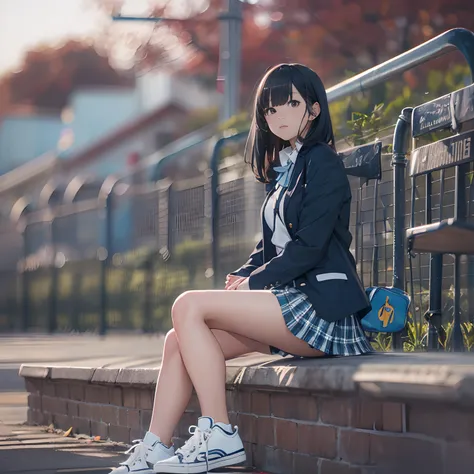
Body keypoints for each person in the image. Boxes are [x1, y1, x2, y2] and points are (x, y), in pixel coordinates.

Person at [110, 63, 373, 474]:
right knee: (176, 340)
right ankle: (155, 447)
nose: (279, 116)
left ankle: (220, 435)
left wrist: (256, 283)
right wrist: (243, 278)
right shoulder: (286, 169)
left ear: (315, 109)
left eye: (291, 103)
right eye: (270, 109)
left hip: (321, 309)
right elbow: (268, 248)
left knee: (187, 305)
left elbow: (309, 248)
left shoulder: (322, 162)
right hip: (289, 305)